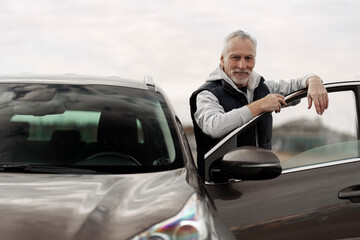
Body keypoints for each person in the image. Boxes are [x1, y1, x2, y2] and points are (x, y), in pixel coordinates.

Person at [190, 30, 329, 181]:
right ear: (222, 59)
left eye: (248, 58)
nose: (242, 65)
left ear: (254, 60)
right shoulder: (207, 94)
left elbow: (296, 85)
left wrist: (313, 80)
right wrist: (260, 106)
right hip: (221, 190)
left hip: (260, 184)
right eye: (235, 57)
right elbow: (214, 126)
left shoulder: (263, 88)